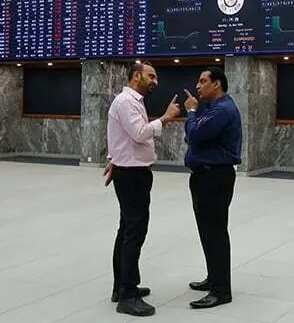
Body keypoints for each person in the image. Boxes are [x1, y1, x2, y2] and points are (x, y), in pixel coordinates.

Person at [102, 62, 181, 317]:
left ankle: (122, 285)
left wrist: (116, 157)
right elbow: (138, 133)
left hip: (130, 170)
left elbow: (123, 138)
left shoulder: (133, 101)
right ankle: (127, 294)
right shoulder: (126, 101)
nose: (155, 81)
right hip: (131, 175)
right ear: (136, 76)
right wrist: (166, 118)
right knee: (134, 231)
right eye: (151, 76)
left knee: (127, 229)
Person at [181, 67, 242, 309]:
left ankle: (221, 291)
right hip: (206, 177)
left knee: (215, 233)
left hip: (214, 178)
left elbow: (194, 135)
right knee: (208, 232)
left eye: (202, 81)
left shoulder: (222, 110)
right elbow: (194, 134)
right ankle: (214, 278)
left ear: (216, 84)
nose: (198, 86)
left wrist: (192, 112)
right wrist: (195, 119)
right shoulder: (215, 109)